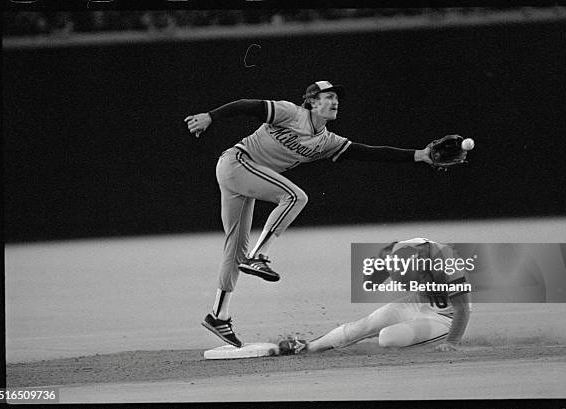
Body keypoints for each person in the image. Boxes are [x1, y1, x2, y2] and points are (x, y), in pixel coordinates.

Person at [184, 81, 435, 348]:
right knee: (294, 196)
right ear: (312, 102)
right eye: (329, 96)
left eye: (337, 97)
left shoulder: (327, 141)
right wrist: (211, 116)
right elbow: (248, 105)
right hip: (237, 163)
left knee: (235, 249)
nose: (335, 101)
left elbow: (369, 152)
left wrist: (419, 155)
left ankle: (218, 316)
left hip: (242, 175)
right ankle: (258, 256)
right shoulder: (291, 113)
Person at [279, 238, 472, 354]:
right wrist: (375, 270)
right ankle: (308, 347)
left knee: (388, 338)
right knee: (364, 325)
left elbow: (462, 309)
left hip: (446, 315)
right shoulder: (394, 253)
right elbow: (371, 281)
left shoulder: (447, 260)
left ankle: (430, 338)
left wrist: (452, 342)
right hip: (416, 302)